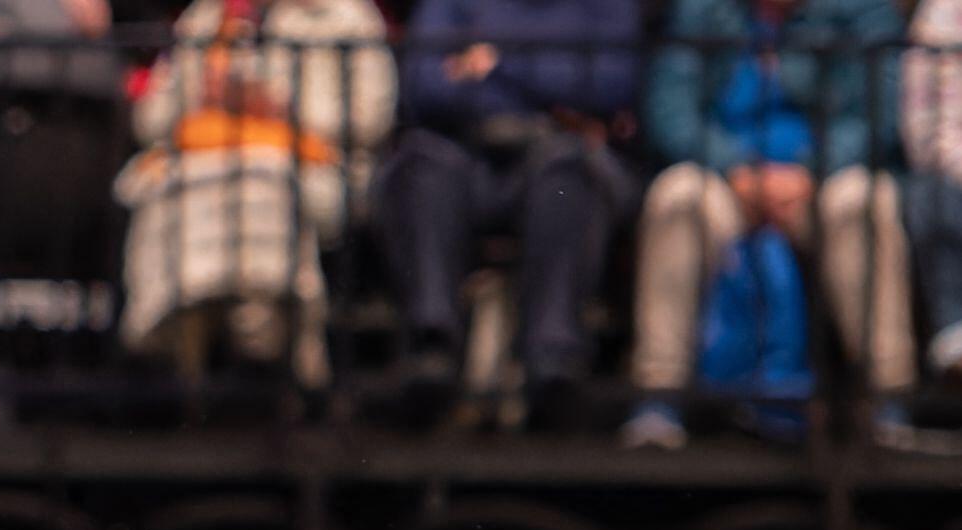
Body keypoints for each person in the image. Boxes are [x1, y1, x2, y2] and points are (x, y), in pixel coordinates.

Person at [622, 0, 915, 449]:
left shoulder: (860, 9)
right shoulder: (702, 10)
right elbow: (670, 108)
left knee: (863, 202)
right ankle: (660, 397)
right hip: (727, 175)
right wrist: (737, 168)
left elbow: (879, 113)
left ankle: (887, 400)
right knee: (676, 197)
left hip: (821, 176)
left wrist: (806, 170)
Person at [375, 0, 641, 430]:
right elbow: (424, 85)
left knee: (568, 172)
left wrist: (497, 64)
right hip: (464, 150)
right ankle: (432, 348)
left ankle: (552, 359)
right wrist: (549, 82)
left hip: (559, 153)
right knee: (419, 164)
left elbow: (611, 84)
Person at [117, 0, 398, 389]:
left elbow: (370, 119)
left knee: (258, 182)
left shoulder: (347, 17)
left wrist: (274, 109)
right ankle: (176, 348)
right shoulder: (207, 18)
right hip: (207, 162)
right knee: (173, 186)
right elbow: (150, 122)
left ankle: (261, 338)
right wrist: (199, 94)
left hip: (310, 165)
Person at [903, 0, 962, 382]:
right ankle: (955, 334)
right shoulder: (939, 15)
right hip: (950, 168)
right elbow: (922, 128)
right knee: (932, 198)